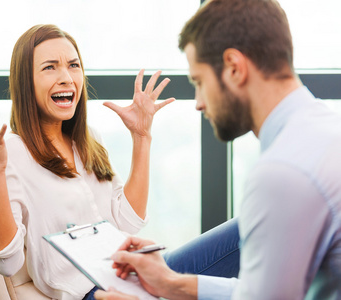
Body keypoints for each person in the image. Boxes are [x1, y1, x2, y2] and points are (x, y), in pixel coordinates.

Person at [94, 0, 341, 299]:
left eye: (199, 81)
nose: (198, 102)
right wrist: (172, 283)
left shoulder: (283, 172)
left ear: (234, 68)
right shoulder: (321, 131)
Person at [0, 24, 176, 299]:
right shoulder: (14, 154)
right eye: (50, 67)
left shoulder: (89, 139)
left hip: (133, 274)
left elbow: (127, 223)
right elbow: (6, 263)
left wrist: (142, 137)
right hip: (92, 292)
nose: (67, 77)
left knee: (238, 238)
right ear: (26, 82)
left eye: (73, 65)